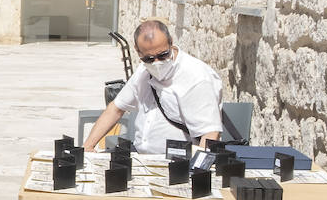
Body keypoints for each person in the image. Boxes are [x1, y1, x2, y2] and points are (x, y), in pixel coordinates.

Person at [82, 19, 222, 154]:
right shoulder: (144, 71)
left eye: (163, 55)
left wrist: (196, 170)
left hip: (178, 162)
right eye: (149, 58)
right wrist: (88, 146)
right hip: (141, 156)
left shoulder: (197, 77)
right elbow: (116, 108)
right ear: (138, 52)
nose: (156, 63)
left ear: (171, 42)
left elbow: (210, 132)